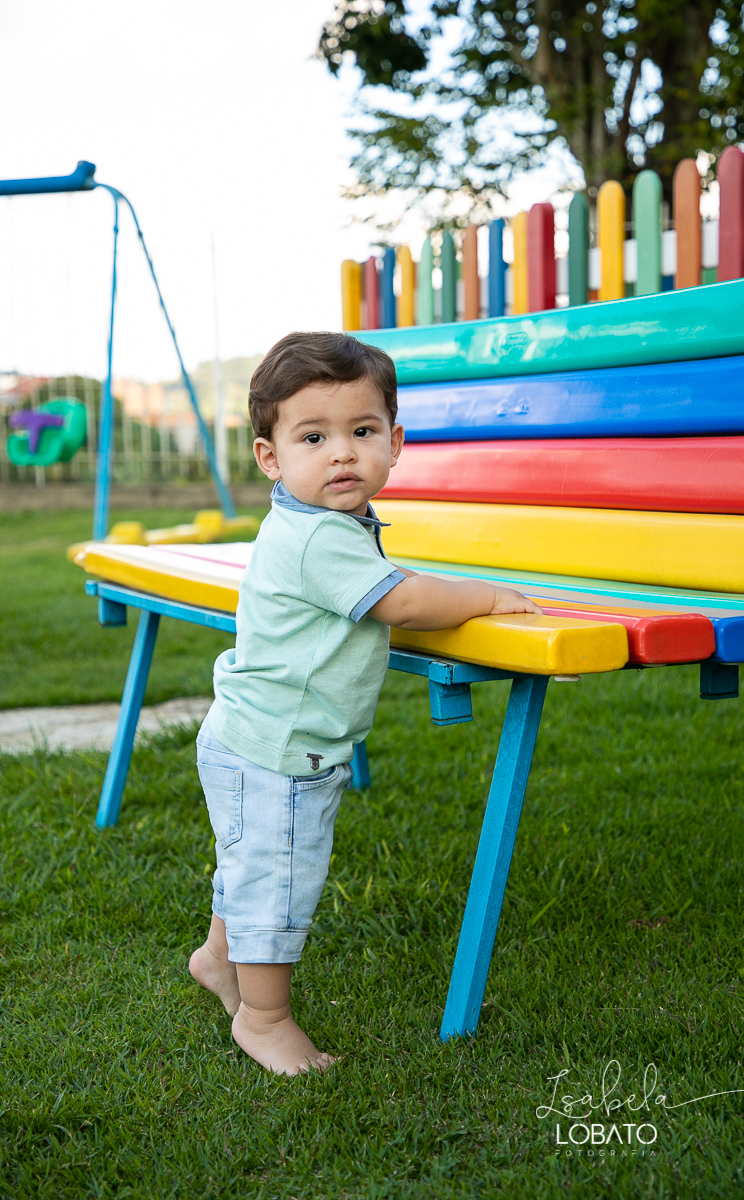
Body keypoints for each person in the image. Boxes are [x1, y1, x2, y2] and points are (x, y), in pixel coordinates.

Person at [189, 331, 541, 1075]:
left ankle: (220, 961)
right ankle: (263, 1018)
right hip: (278, 750)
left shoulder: (328, 524)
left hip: (254, 733)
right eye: (314, 436)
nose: (342, 453)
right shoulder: (319, 539)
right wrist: (489, 596)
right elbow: (405, 601)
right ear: (272, 457)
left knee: (250, 863)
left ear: (396, 441)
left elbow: (384, 579)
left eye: (362, 431)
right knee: (277, 879)